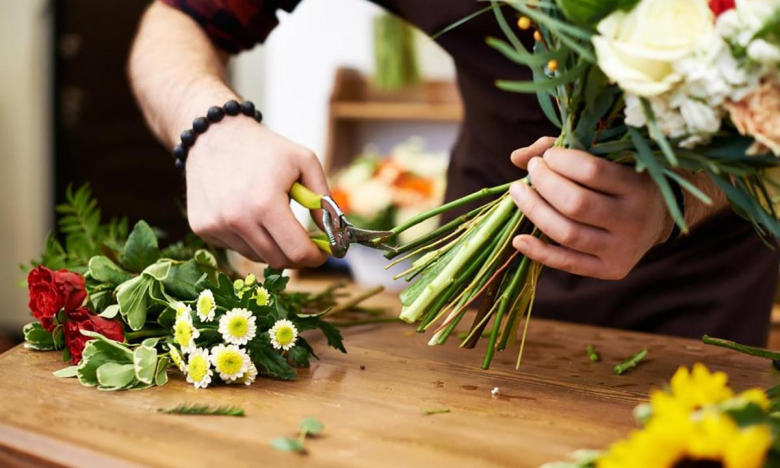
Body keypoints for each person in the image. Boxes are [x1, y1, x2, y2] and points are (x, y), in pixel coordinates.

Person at [129, 0, 779, 346]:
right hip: (470, 299)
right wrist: (208, 127)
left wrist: (679, 201)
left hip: (694, 312)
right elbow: (178, 18)